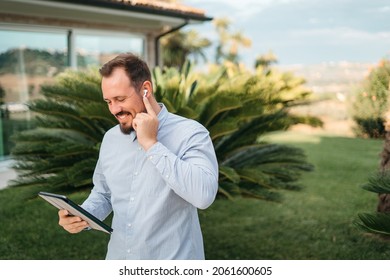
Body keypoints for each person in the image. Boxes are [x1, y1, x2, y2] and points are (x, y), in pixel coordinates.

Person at [58, 53, 219, 260]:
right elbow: (104, 194)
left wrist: (152, 144)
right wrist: (82, 216)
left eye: (120, 99)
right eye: (108, 101)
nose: (114, 109)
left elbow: (203, 195)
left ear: (145, 89)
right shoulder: (110, 138)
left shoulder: (190, 133)